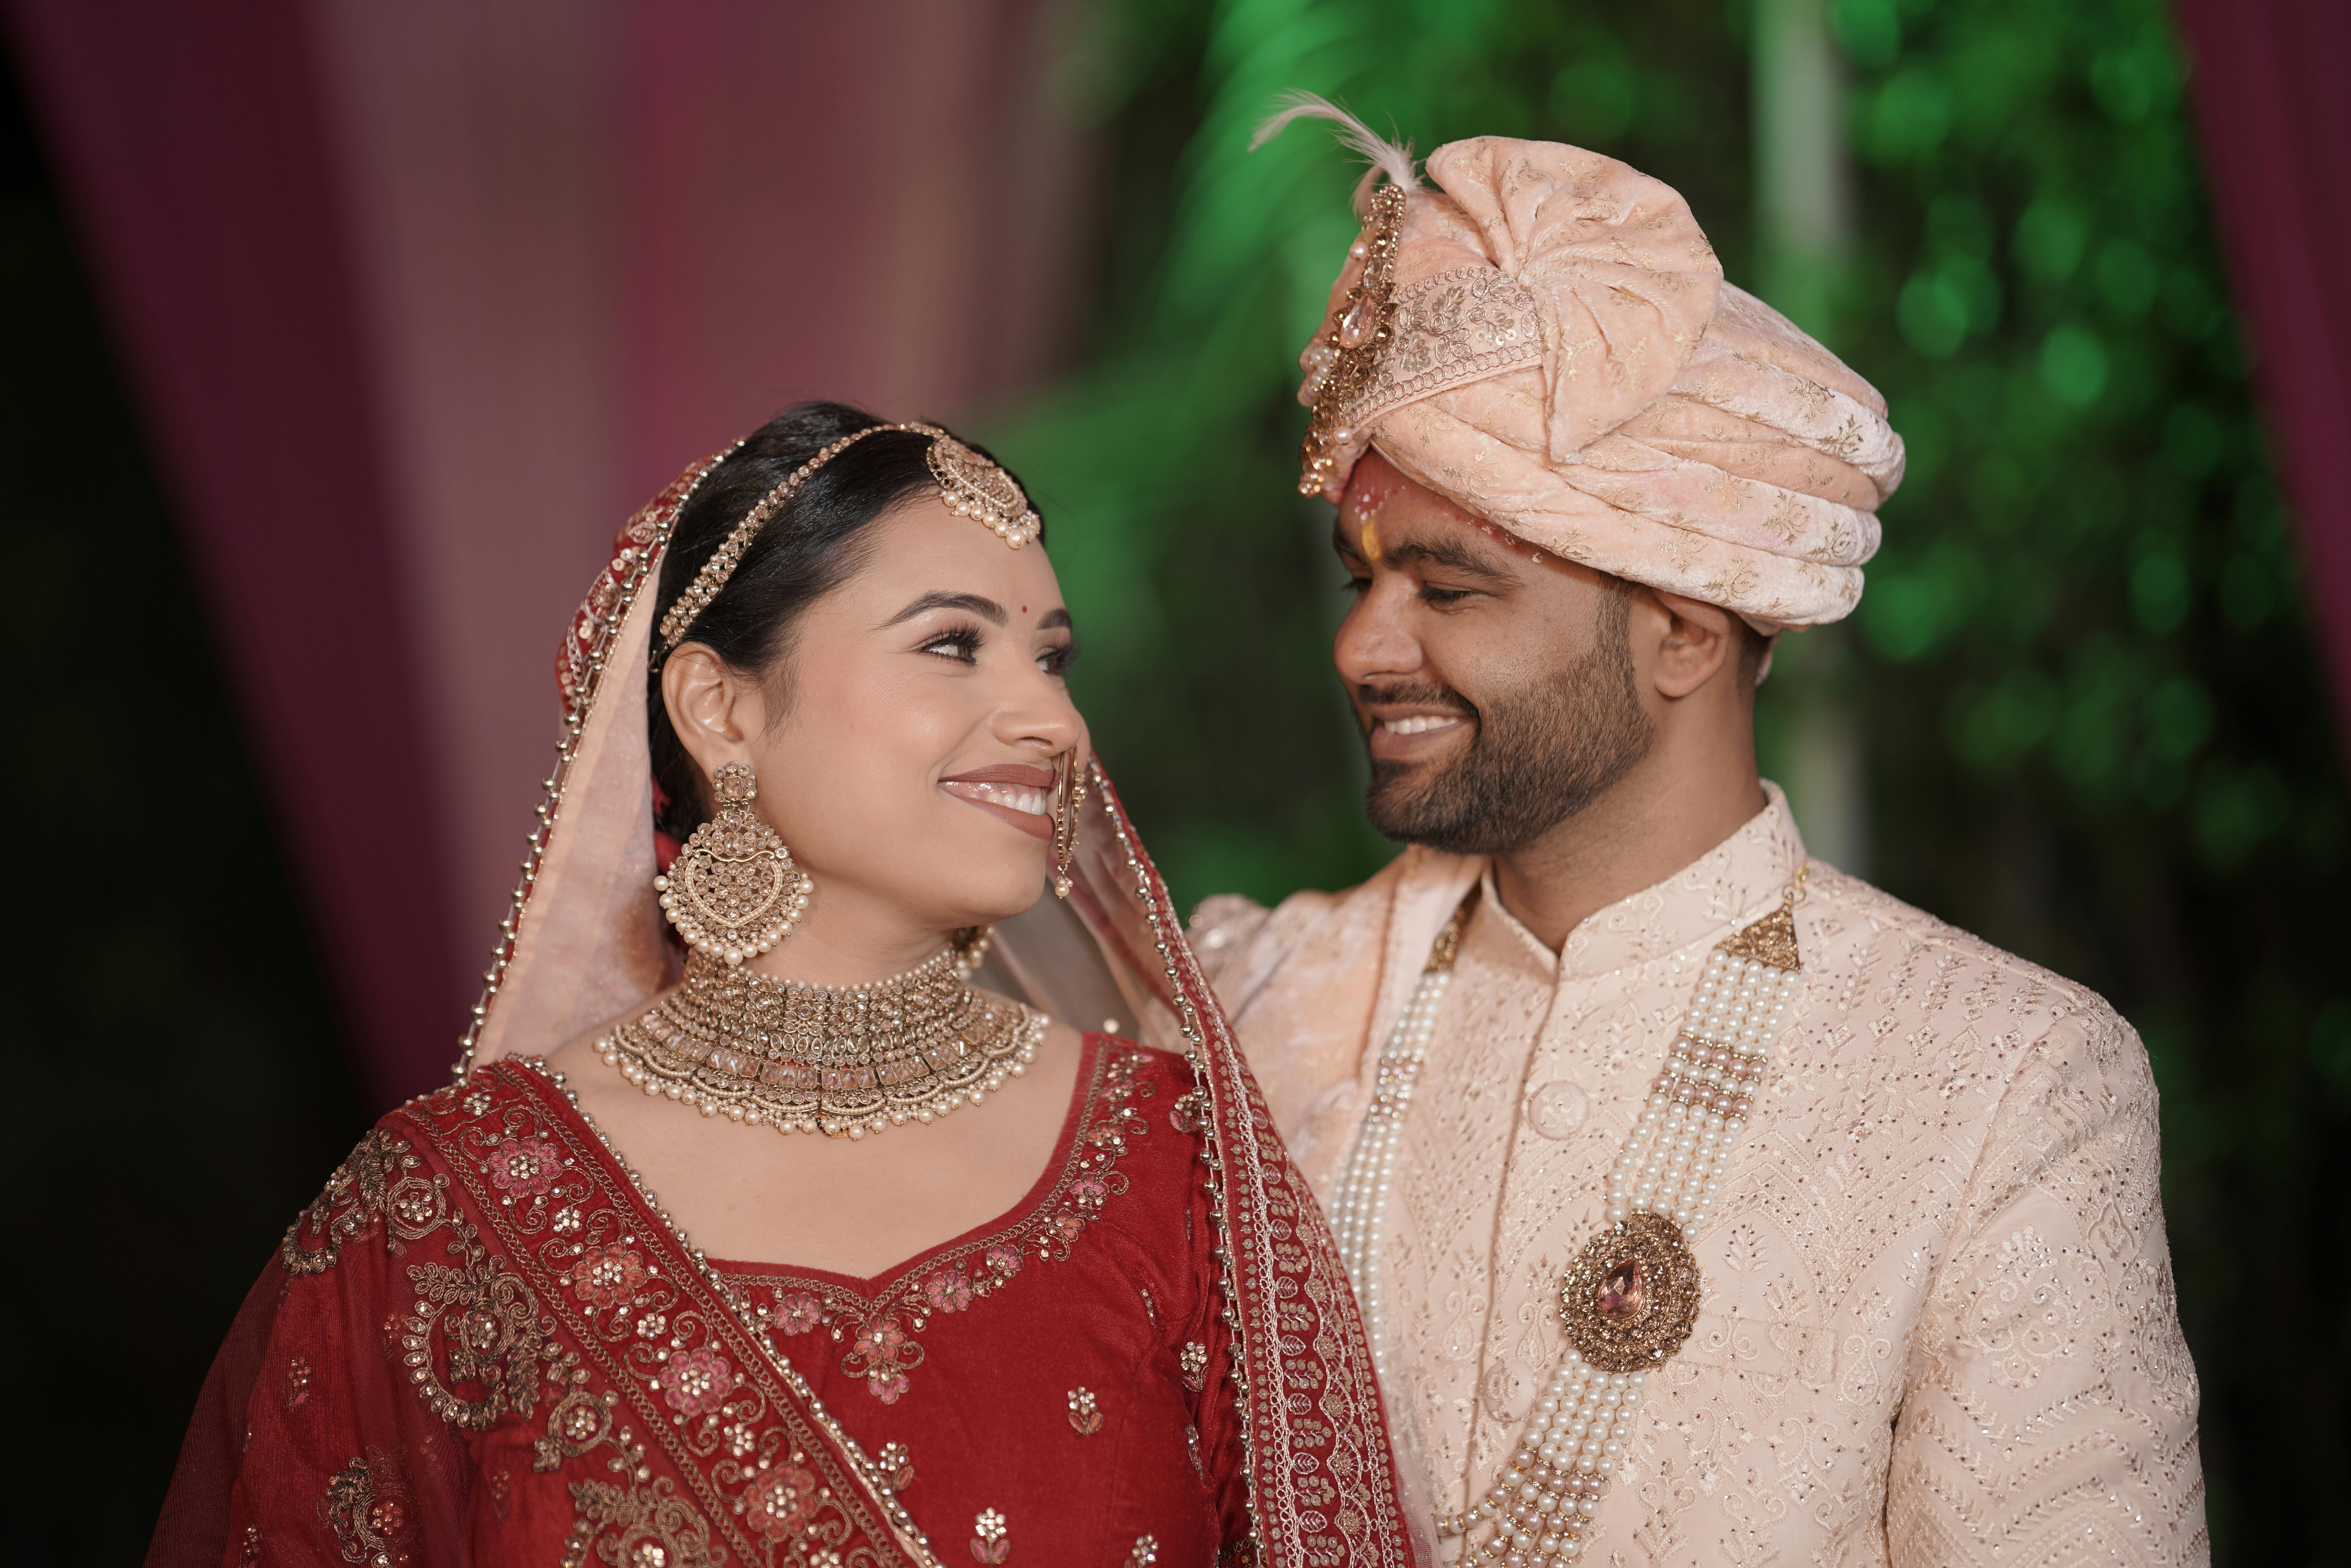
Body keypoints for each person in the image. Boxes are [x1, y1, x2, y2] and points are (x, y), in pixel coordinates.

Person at [149, 404, 1422, 1568]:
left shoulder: (1173, 1157)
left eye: (1051, 658)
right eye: (951, 646)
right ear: (720, 711)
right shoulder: (444, 1211)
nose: (1051, 722)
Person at [1193, 111, 2208, 1567]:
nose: (1363, 645)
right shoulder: (1262, 996)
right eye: (1363, 579)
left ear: (1678, 631)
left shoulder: (1997, 1086)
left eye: (1448, 588)